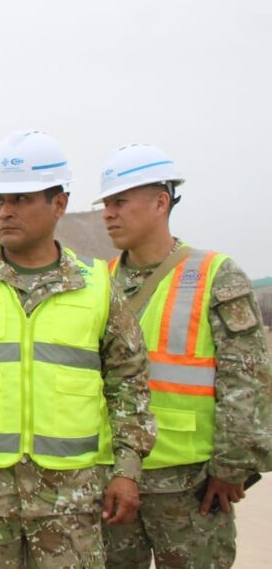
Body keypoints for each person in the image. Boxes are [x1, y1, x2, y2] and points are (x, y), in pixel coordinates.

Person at [0, 130, 157, 567]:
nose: (6, 211)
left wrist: (126, 471)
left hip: (70, 498)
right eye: (0, 200)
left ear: (58, 204)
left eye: (21, 200)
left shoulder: (97, 284)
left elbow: (129, 385)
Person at [95, 143, 272, 568]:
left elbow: (246, 378)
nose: (107, 213)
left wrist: (231, 468)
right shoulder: (98, 281)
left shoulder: (214, 273)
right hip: (111, 477)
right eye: (105, 203)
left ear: (160, 202)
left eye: (120, 201)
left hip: (190, 484)